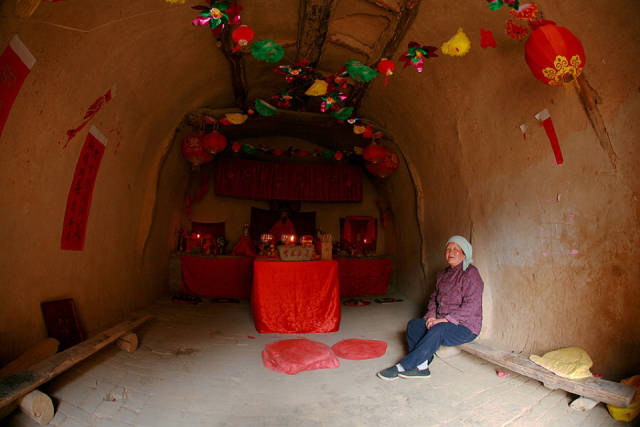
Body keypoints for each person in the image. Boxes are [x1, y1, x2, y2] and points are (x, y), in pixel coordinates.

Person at [377, 235, 483, 380]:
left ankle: (402, 366)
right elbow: (434, 298)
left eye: (455, 249)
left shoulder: (471, 274)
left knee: (437, 330)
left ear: (464, 253)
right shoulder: (443, 274)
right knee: (414, 325)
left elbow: (471, 306)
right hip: (441, 321)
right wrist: (431, 316)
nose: (450, 252)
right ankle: (422, 366)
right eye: (448, 249)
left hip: (465, 326)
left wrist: (444, 320)